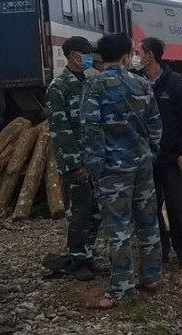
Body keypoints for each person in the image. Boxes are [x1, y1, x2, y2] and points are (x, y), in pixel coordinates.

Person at [80, 33, 163, 309]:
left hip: (113, 169)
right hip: (142, 163)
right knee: (148, 221)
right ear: (127, 54)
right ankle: (151, 276)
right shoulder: (141, 83)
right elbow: (155, 124)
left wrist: (94, 166)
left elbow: (91, 128)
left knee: (118, 227)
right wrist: (152, 152)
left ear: (102, 57)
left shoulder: (94, 85)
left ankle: (121, 288)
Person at [135, 38, 182, 268]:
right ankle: (160, 249)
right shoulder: (135, 83)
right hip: (144, 158)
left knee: (176, 204)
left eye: (138, 52)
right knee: (150, 206)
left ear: (150, 55)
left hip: (171, 157)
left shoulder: (178, 84)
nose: (135, 56)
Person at [45, 36, 103, 281]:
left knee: (95, 211)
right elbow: (61, 129)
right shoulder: (59, 86)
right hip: (77, 161)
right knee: (78, 211)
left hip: (94, 159)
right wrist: (74, 163)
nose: (89, 58)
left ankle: (88, 255)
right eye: (85, 53)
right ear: (71, 55)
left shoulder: (89, 82)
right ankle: (78, 260)